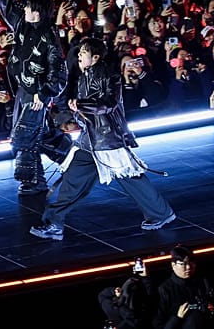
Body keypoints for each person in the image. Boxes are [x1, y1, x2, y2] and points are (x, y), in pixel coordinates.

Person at [29, 38, 175, 241]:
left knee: (130, 178)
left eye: (83, 52)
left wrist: (81, 105)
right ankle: (54, 223)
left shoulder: (109, 76)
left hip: (108, 139)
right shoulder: (82, 77)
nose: (80, 56)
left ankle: (161, 213)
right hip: (88, 140)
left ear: (95, 57)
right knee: (73, 181)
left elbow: (108, 103)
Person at [0, 0, 68, 196]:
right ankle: (73, 158)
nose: (24, 8)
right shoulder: (22, 23)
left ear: (37, 12)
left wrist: (44, 93)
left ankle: (34, 181)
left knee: (24, 136)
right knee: (38, 133)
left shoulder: (49, 37)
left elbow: (58, 71)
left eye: (28, 7)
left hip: (37, 93)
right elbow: (8, 4)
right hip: (23, 89)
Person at [153, 245, 214, 329]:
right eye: (183, 264)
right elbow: (158, 323)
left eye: (191, 263)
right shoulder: (165, 289)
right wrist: (177, 317)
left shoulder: (203, 282)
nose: (188, 267)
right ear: (173, 265)